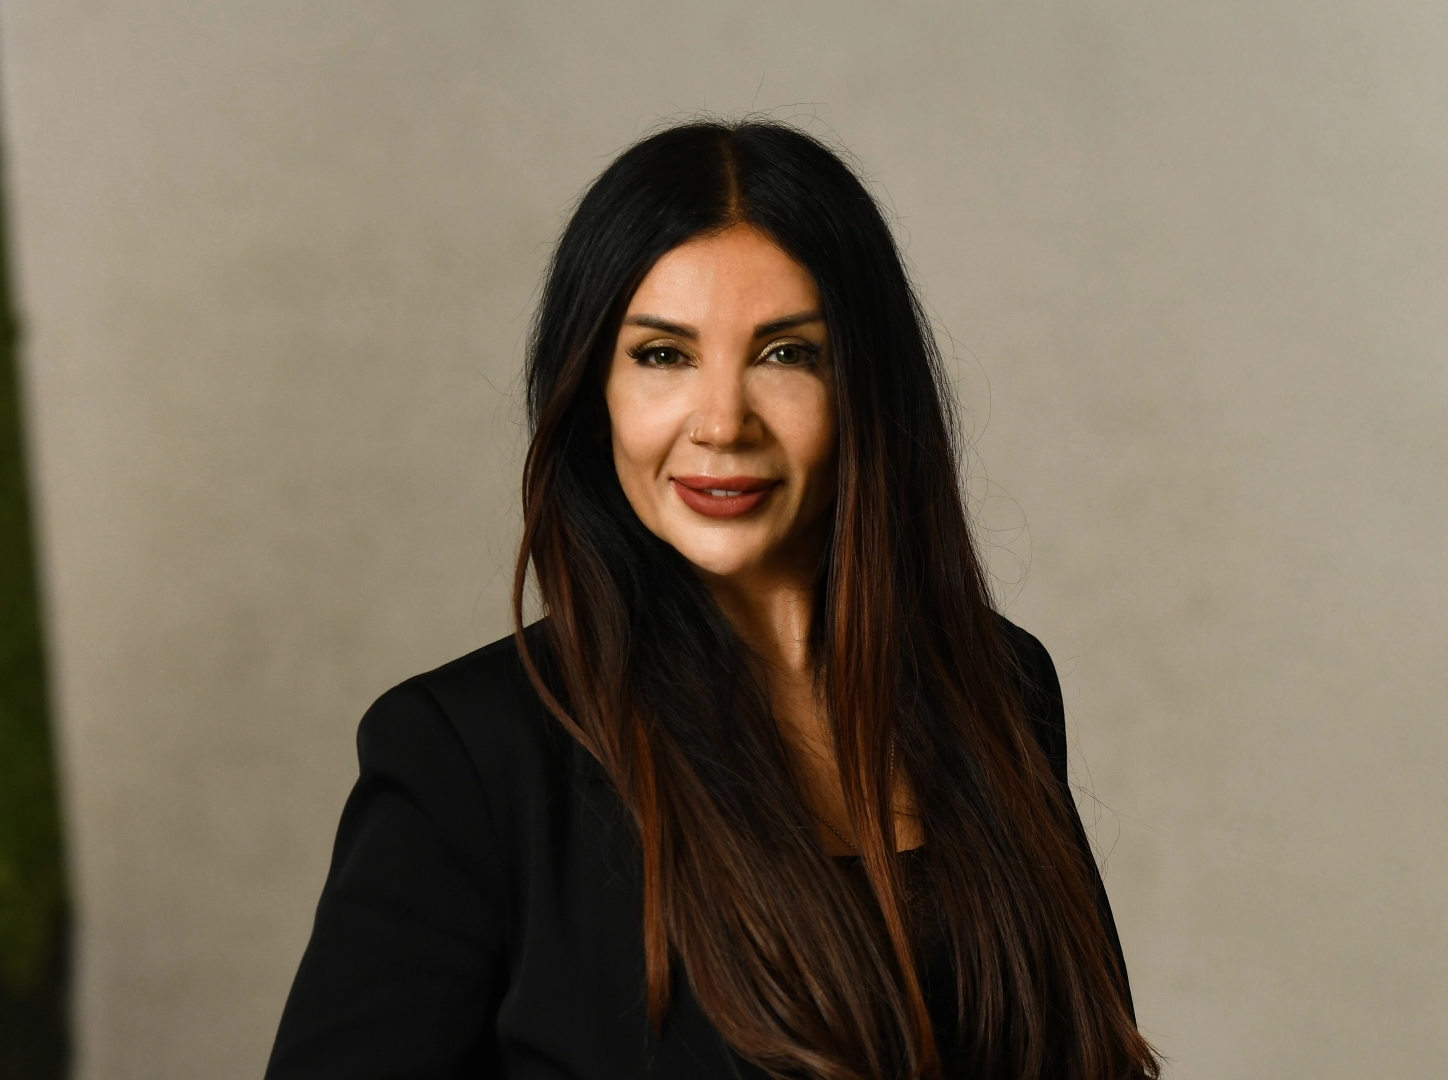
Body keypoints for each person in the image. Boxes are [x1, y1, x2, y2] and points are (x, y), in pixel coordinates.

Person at [264, 120, 1160, 1080]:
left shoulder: (999, 681)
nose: (723, 423)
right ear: (593, 392)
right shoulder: (470, 754)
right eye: (663, 355)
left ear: (864, 388)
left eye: (785, 354)